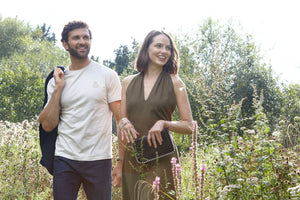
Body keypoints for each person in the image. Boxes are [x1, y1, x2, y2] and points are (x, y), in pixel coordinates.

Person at [39, 21, 121, 200]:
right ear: (65, 44)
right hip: (65, 158)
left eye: (86, 37)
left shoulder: (108, 76)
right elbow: (47, 125)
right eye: (76, 38)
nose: (82, 41)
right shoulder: (56, 79)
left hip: (99, 159)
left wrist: (121, 162)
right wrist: (58, 88)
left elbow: (121, 120)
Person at [112, 30, 193, 199]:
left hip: (162, 158)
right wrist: (124, 121)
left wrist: (165, 123)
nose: (164, 51)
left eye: (168, 48)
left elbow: (189, 126)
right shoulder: (127, 82)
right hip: (132, 158)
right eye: (158, 46)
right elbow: (122, 120)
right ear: (146, 49)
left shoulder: (176, 83)